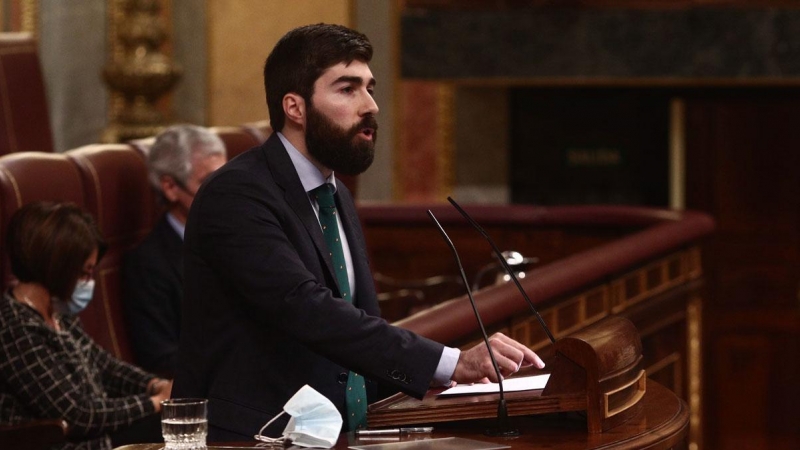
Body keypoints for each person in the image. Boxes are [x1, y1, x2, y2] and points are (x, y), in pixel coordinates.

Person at [172, 23, 544, 440]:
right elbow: (304, 308)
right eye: (347, 89)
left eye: (370, 87)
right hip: (257, 437)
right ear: (295, 108)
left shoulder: (336, 195)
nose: (371, 105)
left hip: (346, 434)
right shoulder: (237, 193)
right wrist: (450, 363)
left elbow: (360, 321)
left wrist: (437, 395)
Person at [0, 201, 173, 450]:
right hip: (67, 444)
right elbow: (77, 413)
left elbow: (105, 367)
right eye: (84, 273)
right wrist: (155, 403)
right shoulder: (14, 328)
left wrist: (153, 384)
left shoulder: (58, 313)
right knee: (171, 425)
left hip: (96, 435)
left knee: (183, 417)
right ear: (58, 269)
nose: (89, 282)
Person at [123, 125, 227, 377]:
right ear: (170, 187)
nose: (225, 192)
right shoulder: (149, 265)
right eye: (207, 182)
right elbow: (161, 356)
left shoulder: (245, 235)